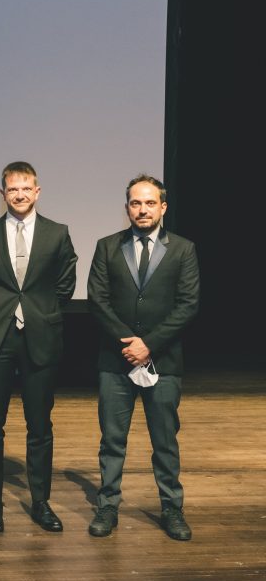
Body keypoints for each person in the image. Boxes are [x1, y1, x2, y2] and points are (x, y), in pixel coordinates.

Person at [87, 175, 199, 541]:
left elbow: (187, 305)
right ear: (127, 208)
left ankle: (172, 508)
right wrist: (130, 343)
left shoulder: (183, 249)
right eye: (136, 203)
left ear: (163, 207)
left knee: (165, 441)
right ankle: (108, 507)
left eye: (150, 203)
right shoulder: (106, 247)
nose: (143, 209)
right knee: (112, 441)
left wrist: (148, 344)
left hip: (163, 362)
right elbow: (97, 300)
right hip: (116, 361)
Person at [0, 161, 77, 534]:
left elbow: (65, 281)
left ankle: (41, 501)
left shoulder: (57, 233)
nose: (19, 194)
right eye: (12, 189)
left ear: (37, 191)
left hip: (40, 336)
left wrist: (41, 310)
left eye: (26, 188)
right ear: (2, 194)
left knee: (40, 425)